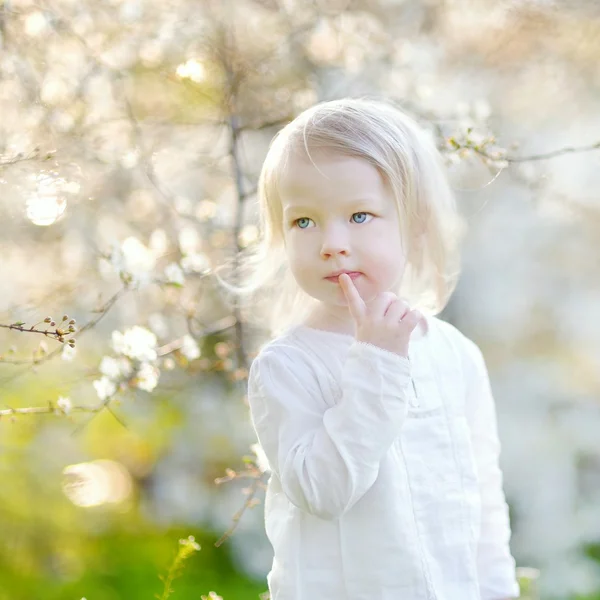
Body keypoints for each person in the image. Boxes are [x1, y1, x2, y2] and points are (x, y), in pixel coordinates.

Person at [215, 97, 520, 599]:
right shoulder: (288, 366)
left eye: (359, 215)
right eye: (304, 222)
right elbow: (322, 491)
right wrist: (376, 362)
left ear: (414, 223)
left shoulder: (454, 354)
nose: (331, 242)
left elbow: (483, 500)